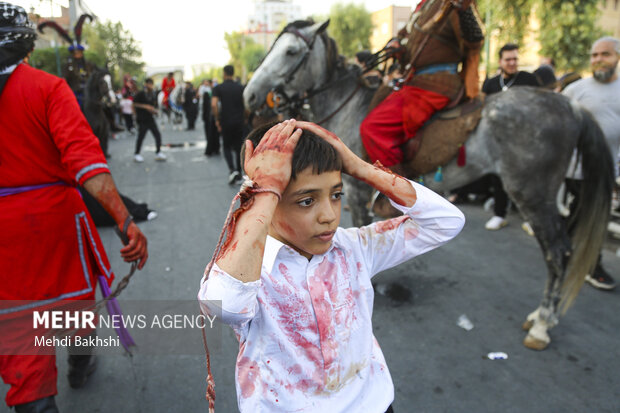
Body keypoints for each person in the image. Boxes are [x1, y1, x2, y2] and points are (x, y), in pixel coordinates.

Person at [198, 119, 465, 412]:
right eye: (307, 201)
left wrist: (360, 167)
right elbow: (224, 305)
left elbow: (446, 222)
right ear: (265, 200)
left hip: (372, 404)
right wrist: (264, 190)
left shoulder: (355, 248)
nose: (329, 216)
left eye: (336, 195)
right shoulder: (246, 270)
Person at [0, 4, 148, 411]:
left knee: (20, 337)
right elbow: (87, 164)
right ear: (26, 48)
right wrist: (125, 220)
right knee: (74, 305)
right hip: (51, 224)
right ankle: (79, 364)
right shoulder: (47, 88)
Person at [360, 0, 484, 171]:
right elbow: (405, 35)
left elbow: (474, 40)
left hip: (435, 85)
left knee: (372, 128)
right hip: (414, 81)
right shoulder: (424, 5)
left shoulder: (452, 4)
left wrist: (464, 10)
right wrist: (397, 43)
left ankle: (394, 190)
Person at [563, 36, 620, 291]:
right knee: (589, 213)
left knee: (589, 214)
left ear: (617, 57)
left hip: (609, 171)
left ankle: (575, 254)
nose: (598, 60)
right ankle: (580, 259)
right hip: (576, 169)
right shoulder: (577, 89)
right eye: (594, 55)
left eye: (604, 54)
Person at [479, 43, 541, 230]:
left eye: (515, 59)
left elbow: (539, 106)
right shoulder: (490, 83)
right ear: (500, 62)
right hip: (498, 140)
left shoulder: (529, 79)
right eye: (508, 59)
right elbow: (481, 109)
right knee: (499, 179)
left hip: (523, 139)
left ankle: (531, 219)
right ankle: (499, 214)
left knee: (526, 180)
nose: (512, 63)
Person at [212, 65, 245, 184]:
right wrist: (244, 118)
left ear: (224, 73)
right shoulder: (240, 87)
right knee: (238, 147)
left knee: (226, 146)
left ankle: (232, 170)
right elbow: (246, 105)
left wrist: (217, 119)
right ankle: (239, 172)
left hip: (225, 121)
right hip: (239, 121)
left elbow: (214, 104)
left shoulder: (218, 88)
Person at [133, 78, 166, 162]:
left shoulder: (153, 94)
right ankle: (137, 154)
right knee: (141, 136)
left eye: (151, 84)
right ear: (146, 84)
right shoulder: (140, 94)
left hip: (150, 118)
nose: (150, 86)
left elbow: (153, 106)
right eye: (149, 84)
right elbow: (134, 104)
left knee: (157, 135)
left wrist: (154, 111)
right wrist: (145, 106)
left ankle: (158, 152)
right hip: (142, 119)